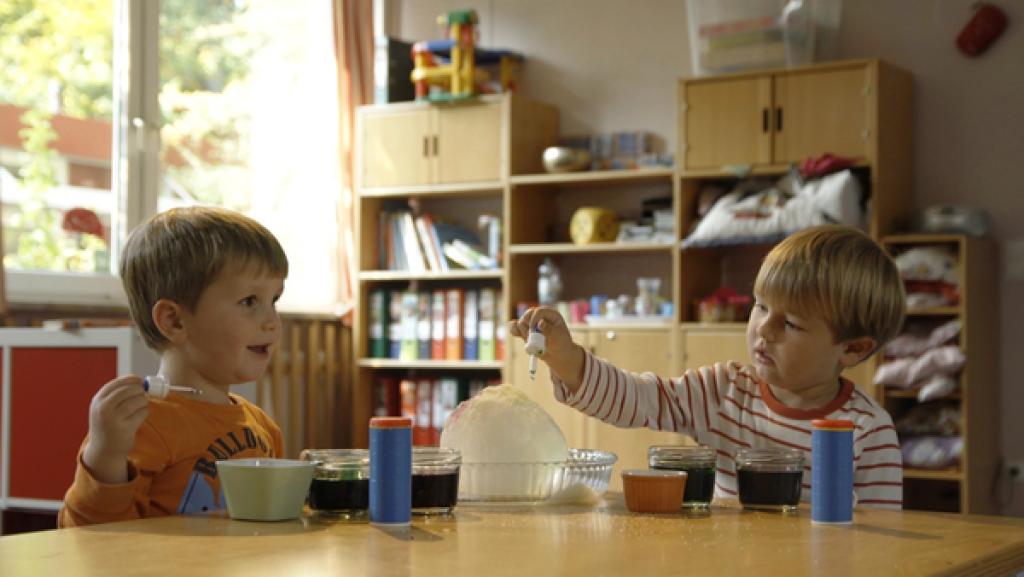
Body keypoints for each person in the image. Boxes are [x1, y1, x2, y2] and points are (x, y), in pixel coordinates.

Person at [511, 225, 905, 509]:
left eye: (792, 323)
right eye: (761, 306)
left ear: (852, 349)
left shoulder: (869, 433)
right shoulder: (723, 390)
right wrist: (566, 358)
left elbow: (880, 547)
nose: (763, 330)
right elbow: (638, 400)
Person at [59, 207, 288, 526]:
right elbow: (90, 539)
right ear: (174, 320)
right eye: (250, 301)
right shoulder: (139, 426)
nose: (272, 322)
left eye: (274, 300)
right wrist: (106, 456)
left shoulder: (262, 427)